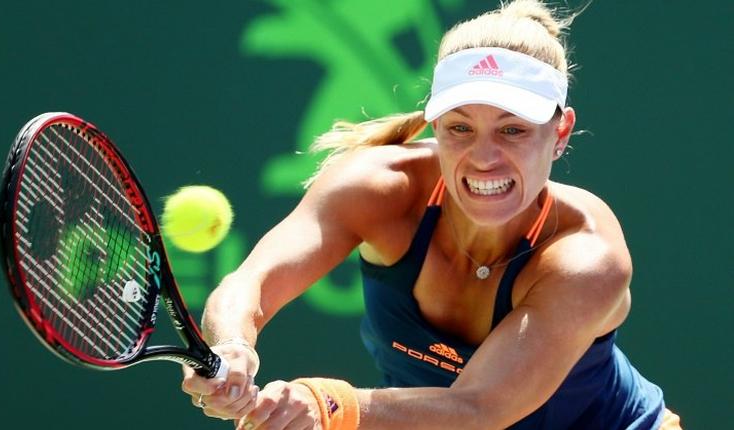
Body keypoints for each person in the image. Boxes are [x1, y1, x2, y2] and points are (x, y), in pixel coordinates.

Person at [181, 0, 682, 428]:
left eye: (512, 131)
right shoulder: (378, 188)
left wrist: (327, 406)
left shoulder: (586, 256)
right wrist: (231, 349)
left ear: (561, 133)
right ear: (434, 125)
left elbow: (480, 408)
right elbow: (251, 284)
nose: (484, 158)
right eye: (460, 128)